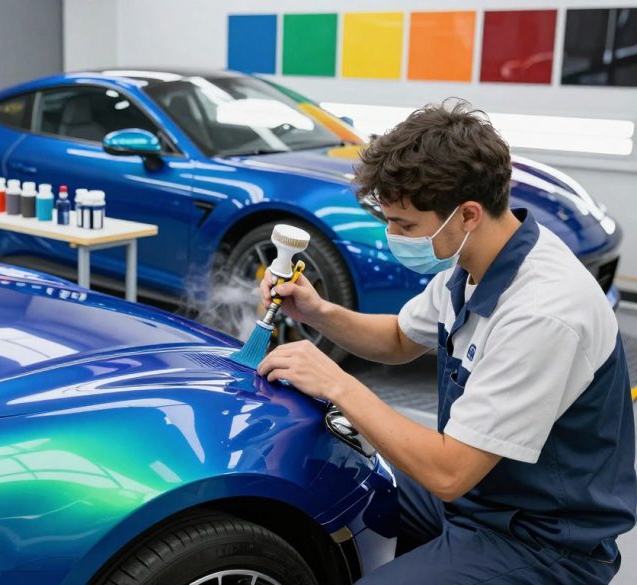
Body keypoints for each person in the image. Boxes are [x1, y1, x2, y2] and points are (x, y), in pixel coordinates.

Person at [258, 100, 636, 584]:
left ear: (468, 214)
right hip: (477, 499)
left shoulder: (542, 312)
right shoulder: (475, 263)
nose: (392, 236)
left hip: (542, 539)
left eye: (406, 225)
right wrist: (318, 312)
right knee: (337, 476)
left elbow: (448, 473)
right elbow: (398, 338)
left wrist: (339, 384)